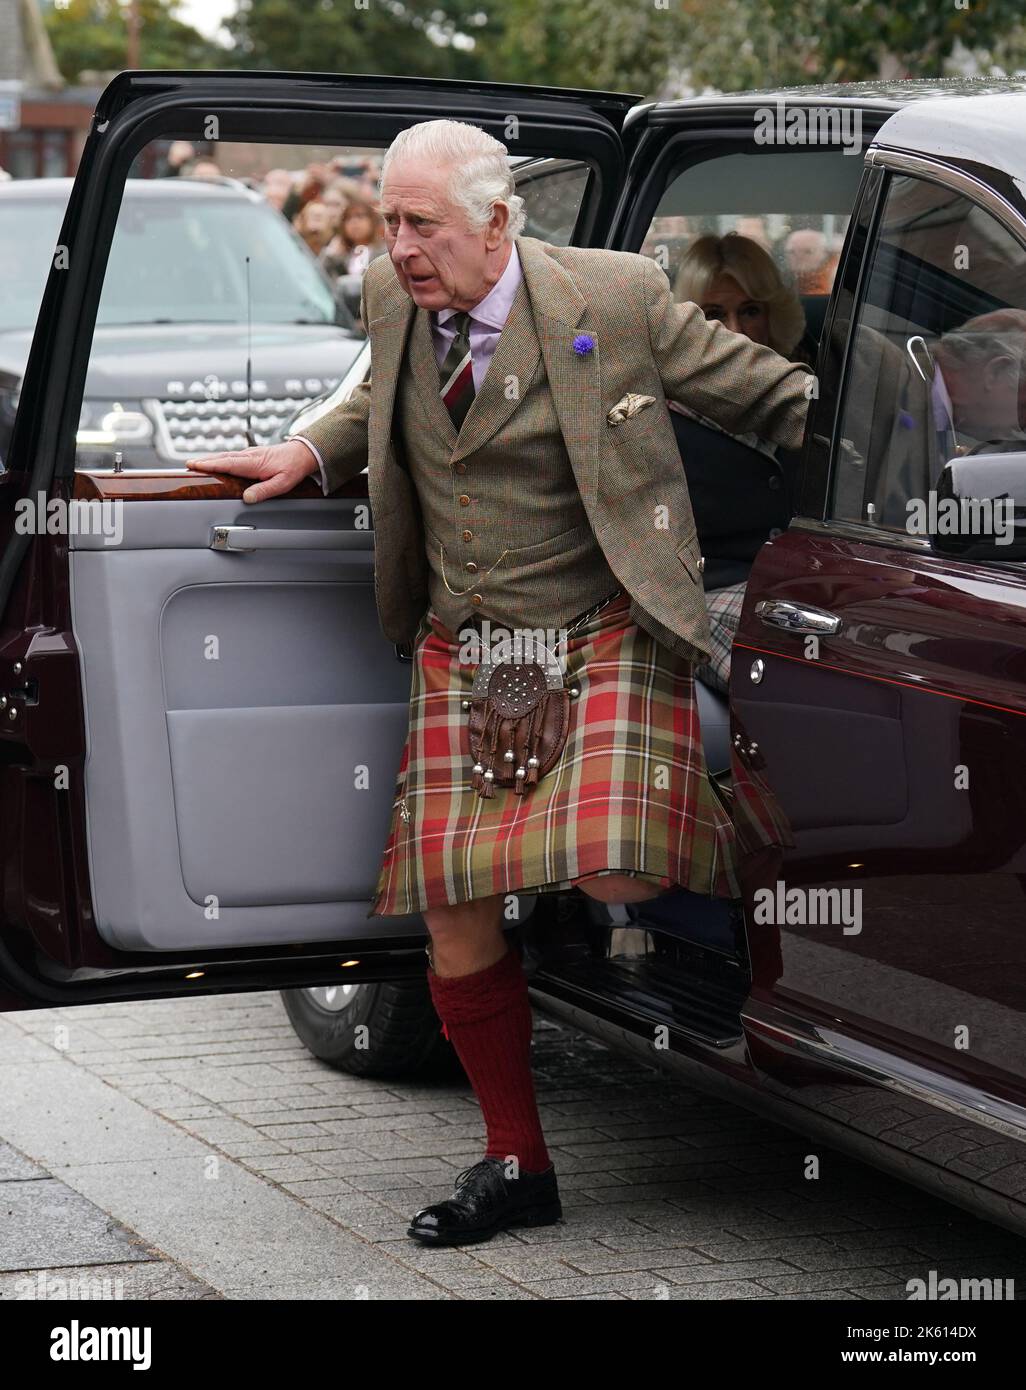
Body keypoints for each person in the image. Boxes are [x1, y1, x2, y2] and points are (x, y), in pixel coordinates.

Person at [186, 119, 809, 1247]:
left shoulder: (614, 297)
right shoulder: (391, 294)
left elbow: (771, 396)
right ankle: (517, 1160)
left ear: (499, 222)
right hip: (469, 646)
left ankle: (740, 892)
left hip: (601, 624)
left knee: (622, 868)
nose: (401, 245)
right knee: (457, 923)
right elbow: (378, 393)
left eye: (421, 224)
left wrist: (914, 451)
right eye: (389, 220)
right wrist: (312, 451)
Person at [673, 232, 811, 693]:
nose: (734, 331)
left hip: (813, 594)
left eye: (750, 310)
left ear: (773, 316)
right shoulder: (657, 417)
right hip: (710, 603)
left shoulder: (812, 395)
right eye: (713, 315)